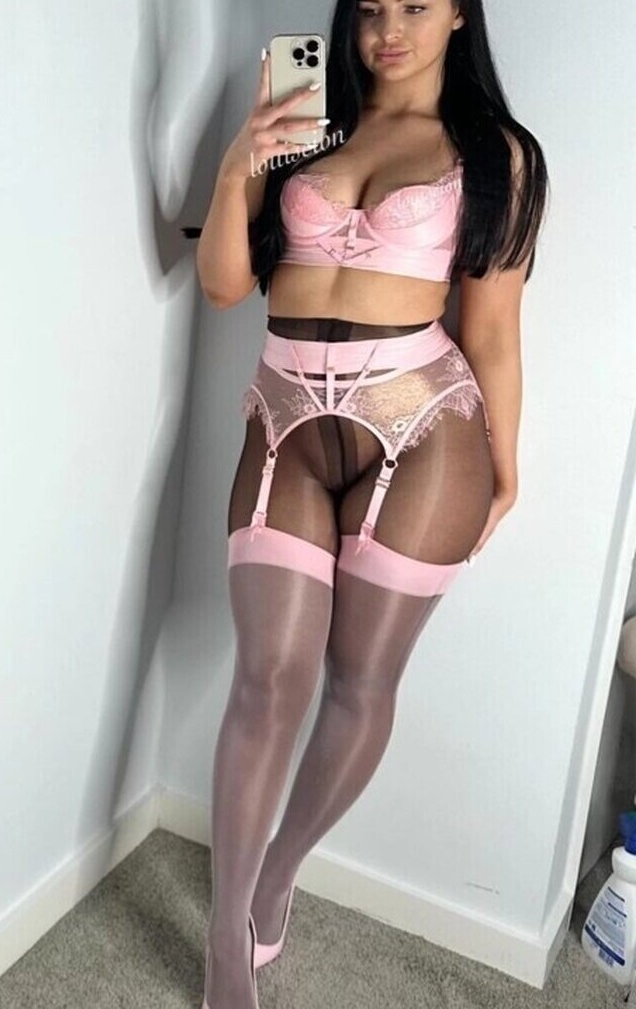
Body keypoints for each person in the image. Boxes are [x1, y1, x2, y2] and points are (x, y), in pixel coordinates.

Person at [192, 2, 548, 1006]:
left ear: (460, 15)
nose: (390, 29)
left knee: (358, 682)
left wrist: (505, 466)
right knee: (267, 679)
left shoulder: (499, 155)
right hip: (284, 422)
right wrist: (237, 164)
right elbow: (223, 286)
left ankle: (278, 874)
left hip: (425, 429)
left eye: (417, 6)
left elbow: (494, 330)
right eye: (373, 10)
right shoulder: (305, 122)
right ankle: (226, 936)